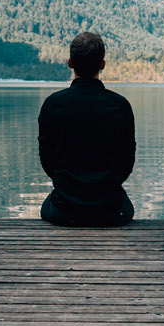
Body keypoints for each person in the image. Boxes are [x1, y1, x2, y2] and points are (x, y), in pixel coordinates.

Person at [37, 30, 135, 227]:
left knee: (48, 204)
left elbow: (47, 159)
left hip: (64, 211)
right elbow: (127, 161)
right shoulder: (120, 105)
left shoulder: (53, 104)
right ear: (103, 65)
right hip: (112, 211)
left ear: (70, 63)